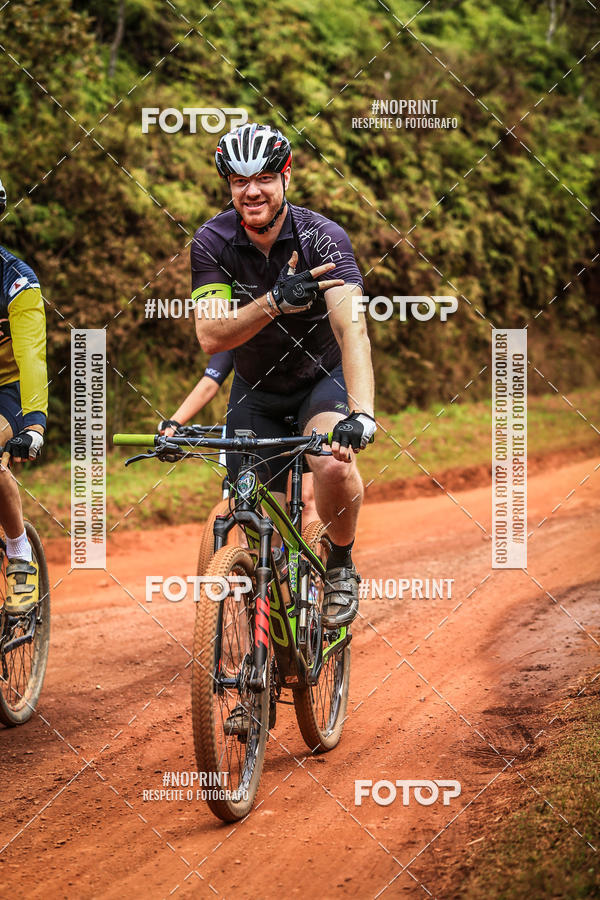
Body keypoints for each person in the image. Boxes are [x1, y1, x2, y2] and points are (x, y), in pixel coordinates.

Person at [190, 123, 375, 627]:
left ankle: (340, 564)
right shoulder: (212, 242)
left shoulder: (323, 238)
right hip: (256, 390)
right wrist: (274, 301)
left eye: (264, 178)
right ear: (229, 185)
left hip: (320, 381)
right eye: (239, 181)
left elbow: (351, 330)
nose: (252, 191)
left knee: (333, 465)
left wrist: (361, 414)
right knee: (247, 508)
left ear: (286, 177)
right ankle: (268, 625)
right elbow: (211, 336)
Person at [158, 350, 319, 523]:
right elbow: (209, 383)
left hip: (306, 410)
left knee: (306, 499)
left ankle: (313, 538)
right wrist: (174, 422)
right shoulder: (237, 338)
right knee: (255, 500)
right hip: (261, 415)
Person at [0, 176, 48, 615]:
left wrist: (33, 422)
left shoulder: (16, 280)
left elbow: (31, 354)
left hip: (8, 391)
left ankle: (19, 554)